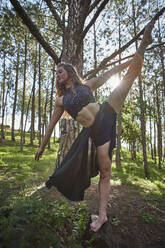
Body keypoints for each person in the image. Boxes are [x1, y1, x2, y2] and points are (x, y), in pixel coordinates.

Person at [35, 20, 155, 232]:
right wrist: (42, 146)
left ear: (69, 72)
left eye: (60, 70)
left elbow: (107, 75)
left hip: (106, 113)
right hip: (94, 132)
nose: (57, 74)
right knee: (105, 171)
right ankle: (102, 216)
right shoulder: (60, 101)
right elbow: (51, 125)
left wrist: (128, 62)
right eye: (56, 72)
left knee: (128, 78)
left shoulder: (86, 85)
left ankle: (143, 44)